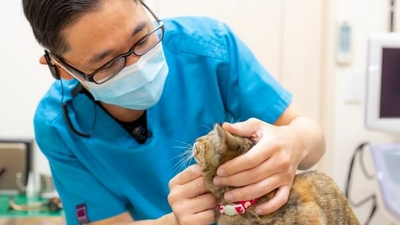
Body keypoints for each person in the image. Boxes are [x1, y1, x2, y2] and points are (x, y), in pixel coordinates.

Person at [22, 0, 325, 224]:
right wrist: (173, 222)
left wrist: (294, 142)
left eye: (142, 38)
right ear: (61, 69)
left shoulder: (210, 46)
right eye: (108, 64)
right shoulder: (57, 126)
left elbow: (313, 141)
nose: (137, 65)